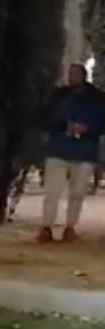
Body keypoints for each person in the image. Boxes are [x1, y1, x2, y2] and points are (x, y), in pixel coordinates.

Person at [36, 63, 105, 243]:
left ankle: (70, 228)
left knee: (77, 193)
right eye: (70, 74)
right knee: (52, 193)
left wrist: (88, 129)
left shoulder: (97, 99)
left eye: (76, 74)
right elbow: (46, 118)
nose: (72, 77)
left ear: (84, 75)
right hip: (58, 149)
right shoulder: (59, 96)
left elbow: (102, 123)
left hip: (84, 152)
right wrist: (65, 126)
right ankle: (46, 227)